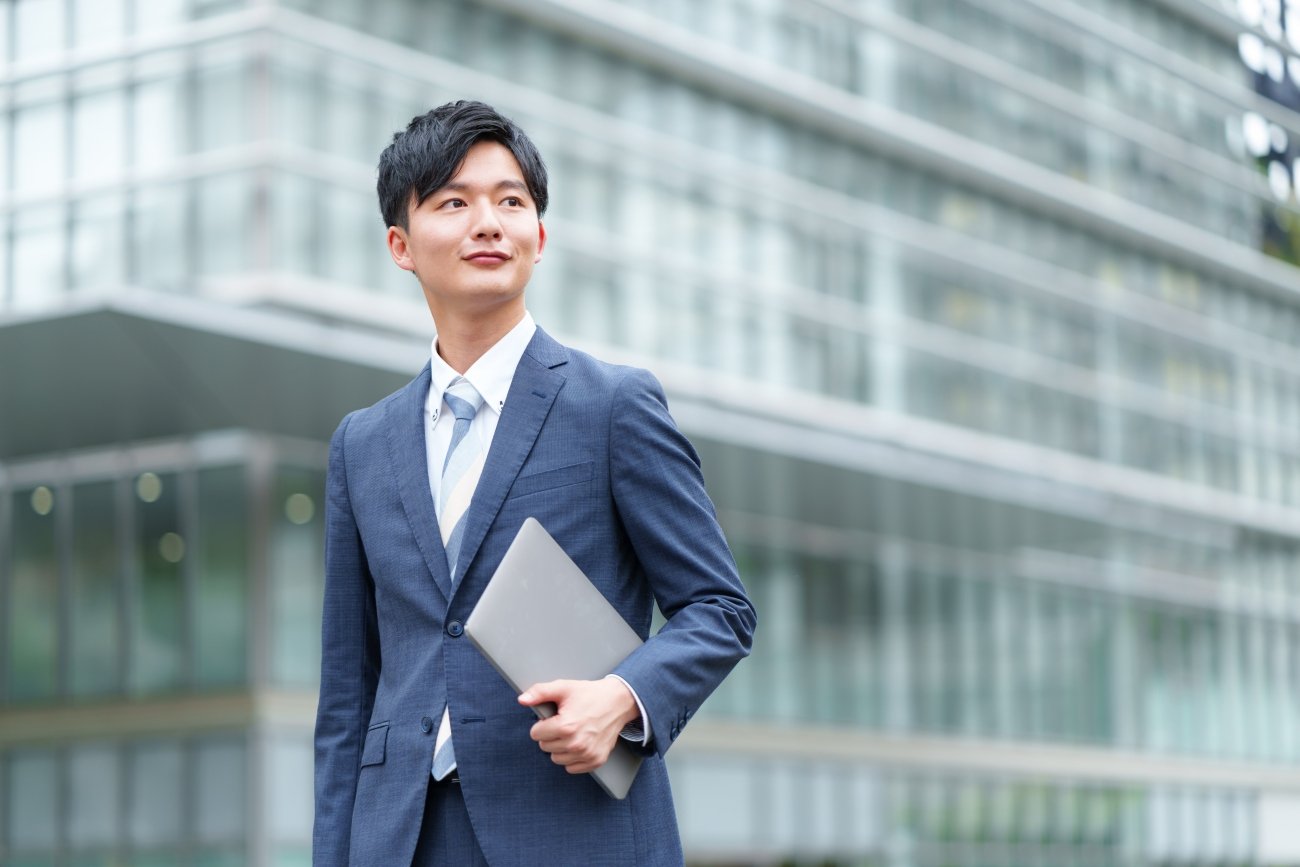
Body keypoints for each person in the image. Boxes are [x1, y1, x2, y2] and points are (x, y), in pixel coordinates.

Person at [311, 100, 757, 866]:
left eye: (510, 201)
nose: (489, 222)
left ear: (539, 237)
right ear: (401, 244)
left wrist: (622, 699)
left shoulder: (613, 406)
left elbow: (720, 609)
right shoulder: (362, 443)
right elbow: (348, 701)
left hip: (570, 827)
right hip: (401, 839)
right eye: (454, 202)